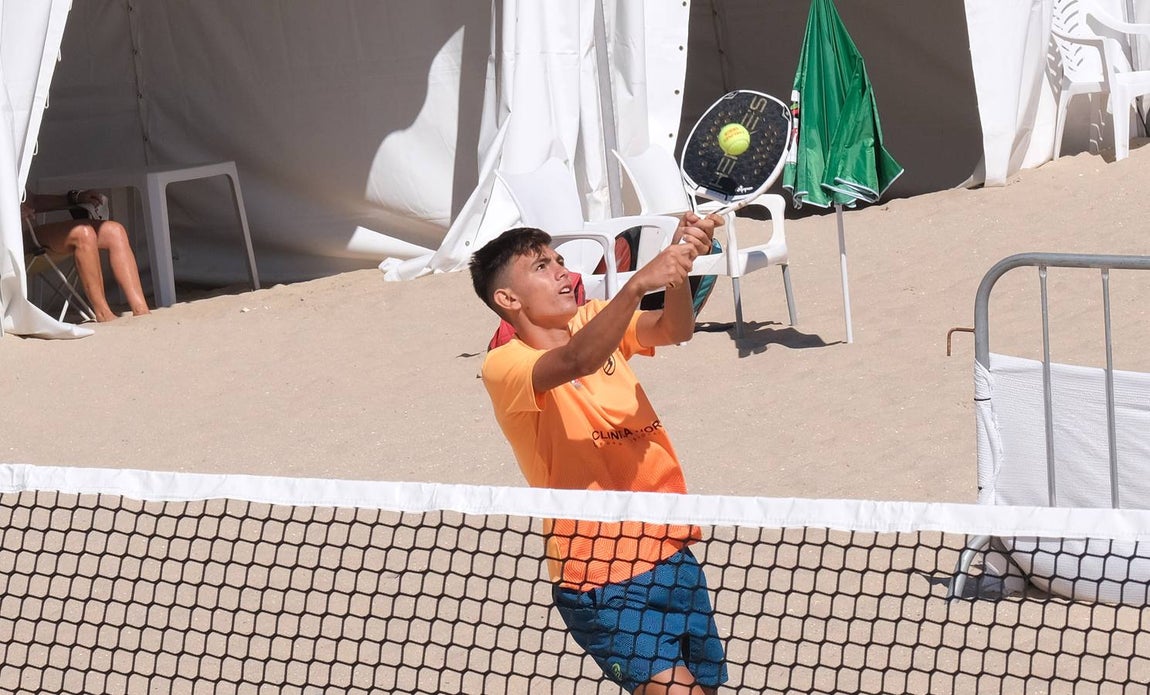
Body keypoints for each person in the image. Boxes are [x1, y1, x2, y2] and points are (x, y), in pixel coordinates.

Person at [470, 212, 728, 695]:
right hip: (599, 573)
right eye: (542, 267)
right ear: (508, 299)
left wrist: (678, 271)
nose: (563, 272)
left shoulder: (594, 319)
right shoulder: (504, 366)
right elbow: (578, 359)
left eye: (560, 261)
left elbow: (675, 328)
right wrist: (638, 284)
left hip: (670, 549)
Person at [22, 189, 151, 322]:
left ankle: (141, 310)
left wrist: (74, 198)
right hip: (16, 244)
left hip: (33, 235)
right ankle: (104, 314)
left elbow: (33, 201)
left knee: (115, 231)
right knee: (83, 233)